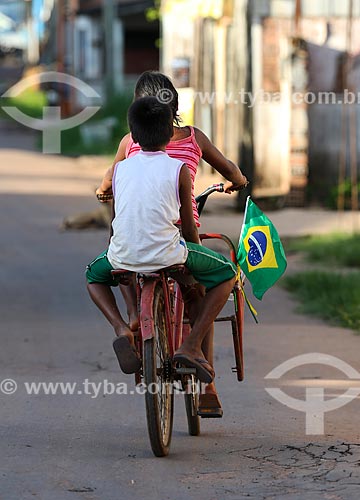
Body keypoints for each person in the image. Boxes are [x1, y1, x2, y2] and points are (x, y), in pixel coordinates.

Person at [96, 71, 249, 416]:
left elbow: (109, 181)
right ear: (174, 109)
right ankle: (206, 382)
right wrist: (237, 181)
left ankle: (134, 316)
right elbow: (229, 171)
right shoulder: (194, 139)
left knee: (123, 262)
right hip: (179, 234)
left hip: (133, 242)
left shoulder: (129, 143)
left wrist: (103, 189)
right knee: (202, 290)